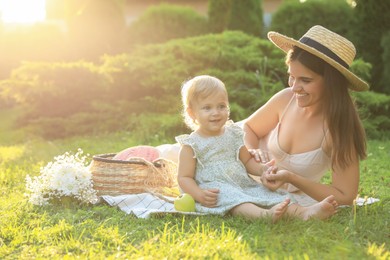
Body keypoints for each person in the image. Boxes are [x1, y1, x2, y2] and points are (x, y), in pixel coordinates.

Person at [175, 75, 338, 222]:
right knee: (237, 201)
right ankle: (263, 216)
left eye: (221, 106)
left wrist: (262, 170)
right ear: (191, 113)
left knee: (269, 194)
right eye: (207, 108)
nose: (216, 113)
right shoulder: (192, 144)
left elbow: (246, 160)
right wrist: (198, 194)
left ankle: (304, 212)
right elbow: (184, 177)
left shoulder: (233, 133)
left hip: (242, 183)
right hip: (215, 189)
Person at [243, 25, 369, 206]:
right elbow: (248, 128)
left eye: (305, 80)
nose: (294, 87)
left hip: (276, 192)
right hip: (245, 169)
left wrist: (292, 178)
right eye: (292, 77)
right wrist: (251, 151)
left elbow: (345, 196)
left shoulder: (338, 130)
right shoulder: (286, 99)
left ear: (331, 83)